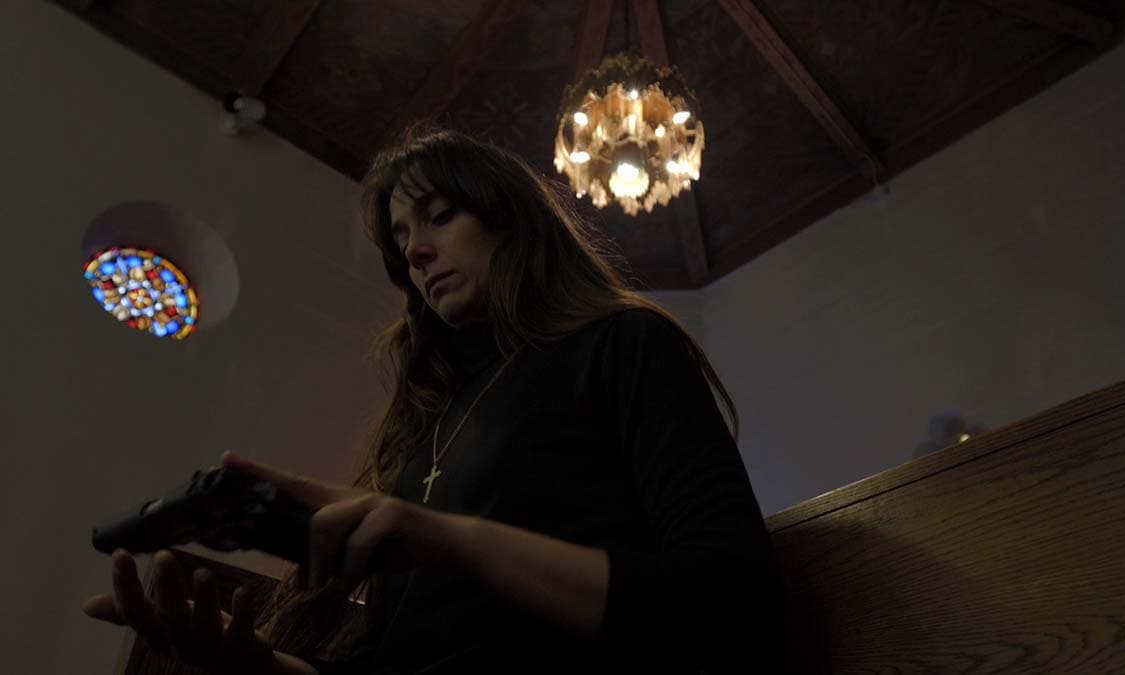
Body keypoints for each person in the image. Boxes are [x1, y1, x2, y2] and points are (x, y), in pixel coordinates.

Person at [82, 126, 796, 673]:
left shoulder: (624, 343)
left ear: (512, 219)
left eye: (440, 216)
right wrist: (253, 662)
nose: (415, 252)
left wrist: (451, 537)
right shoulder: (432, 420)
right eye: (401, 239)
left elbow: (731, 604)